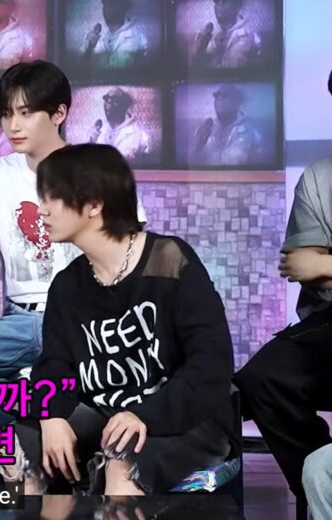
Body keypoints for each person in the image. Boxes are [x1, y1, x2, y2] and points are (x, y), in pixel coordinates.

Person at [0, 61, 146, 480]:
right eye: (7, 114)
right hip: (19, 319)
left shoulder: (96, 169)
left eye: (25, 113)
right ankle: (8, 455)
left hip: (83, 319)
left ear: (59, 113)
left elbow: (132, 251)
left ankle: (23, 466)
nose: (13, 125)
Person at [0, 143, 239, 496]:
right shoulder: (68, 285)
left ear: (94, 205)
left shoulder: (171, 261)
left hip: (184, 419)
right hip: (105, 415)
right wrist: (50, 415)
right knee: (13, 450)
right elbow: (54, 365)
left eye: (53, 198)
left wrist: (145, 415)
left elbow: (210, 364)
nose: (42, 209)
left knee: (122, 461)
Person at [234, 71, 332, 520]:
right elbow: (301, 264)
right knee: (262, 378)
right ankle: (318, 488)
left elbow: (317, 265)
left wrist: (327, 264)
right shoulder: (319, 177)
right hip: (327, 324)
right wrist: (319, 269)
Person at [194, 84, 261, 166]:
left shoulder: (252, 131)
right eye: (217, 96)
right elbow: (194, 165)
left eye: (225, 96)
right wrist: (198, 147)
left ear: (237, 102)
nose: (220, 100)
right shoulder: (206, 130)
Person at [87, 87, 151, 161]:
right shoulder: (102, 129)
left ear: (124, 106)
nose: (109, 102)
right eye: (106, 98)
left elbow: (117, 160)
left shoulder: (134, 133)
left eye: (114, 99)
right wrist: (91, 142)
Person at [192, 0, 261, 68]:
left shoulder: (250, 36)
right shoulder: (212, 36)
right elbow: (198, 67)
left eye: (225, 1)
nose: (219, 5)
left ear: (237, 6)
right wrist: (200, 50)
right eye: (216, 1)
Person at [82, 0, 149, 68]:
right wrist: (89, 47)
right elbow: (81, 62)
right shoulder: (101, 33)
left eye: (112, 3)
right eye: (105, 4)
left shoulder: (134, 36)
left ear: (123, 7)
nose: (107, 8)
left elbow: (114, 69)